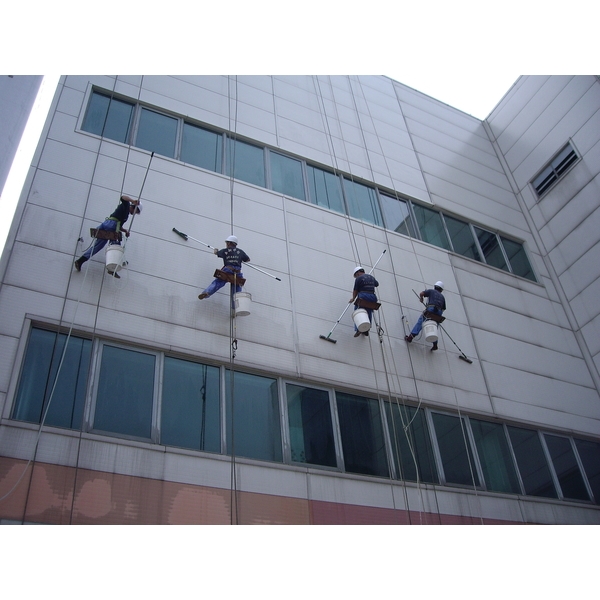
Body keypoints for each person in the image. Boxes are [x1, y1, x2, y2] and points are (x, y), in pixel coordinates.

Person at [74, 195, 142, 277]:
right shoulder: (126, 205)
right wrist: (133, 200)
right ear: (134, 207)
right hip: (111, 225)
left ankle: (80, 261)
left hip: (108, 224)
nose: (134, 214)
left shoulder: (126, 215)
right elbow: (123, 197)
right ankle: (113, 267)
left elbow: (119, 226)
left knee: (98, 246)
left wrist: (125, 231)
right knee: (116, 244)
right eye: (136, 212)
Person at [198, 235, 250, 300]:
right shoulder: (240, 252)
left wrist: (216, 250)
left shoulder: (225, 251)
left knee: (219, 282)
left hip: (228, 269)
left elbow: (216, 253)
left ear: (229, 243)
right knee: (237, 287)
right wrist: (239, 259)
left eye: (227, 243)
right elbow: (248, 259)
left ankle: (207, 292)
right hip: (237, 272)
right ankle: (237, 302)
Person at [405, 281, 446, 350]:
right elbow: (444, 308)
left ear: (435, 286)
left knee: (421, 321)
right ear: (441, 290)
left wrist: (421, 298)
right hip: (439, 312)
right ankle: (435, 344)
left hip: (431, 308)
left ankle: (411, 337)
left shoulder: (431, 291)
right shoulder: (442, 297)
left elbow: (421, 293)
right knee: (433, 326)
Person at [350, 266, 379, 337]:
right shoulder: (371, 277)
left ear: (358, 273)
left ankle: (359, 328)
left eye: (356, 275)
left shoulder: (359, 278)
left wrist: (353, 298)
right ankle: (366, 329)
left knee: (358, 310)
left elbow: (355, 290)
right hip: (372, 297)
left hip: (364, 295)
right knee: (368, 311)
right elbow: (377, 284)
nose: (356, 277)